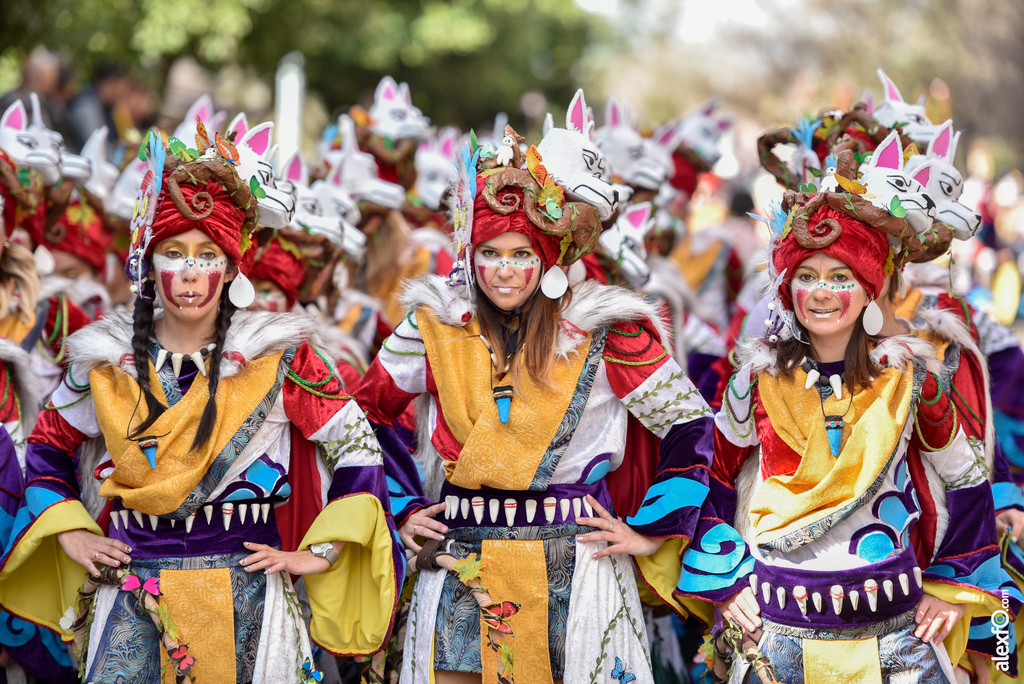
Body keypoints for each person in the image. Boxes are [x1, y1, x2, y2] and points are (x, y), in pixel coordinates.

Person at [0, 132, 402, 683]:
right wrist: (69, 531)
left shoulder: (281, 356)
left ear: (232, 269)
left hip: (248, 592)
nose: (191, 273)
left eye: (208, 255)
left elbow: (357, 446)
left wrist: (323, 551)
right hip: (131, 593)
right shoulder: (102, 359)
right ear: (149, 262)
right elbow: (46, 448)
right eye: (175, 253)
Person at [354, 132, 745, 684]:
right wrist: (401, 505)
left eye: (521, 254)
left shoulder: (606, 329)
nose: (505, 270)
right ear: (471, 254)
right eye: (489, 253)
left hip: (577, 566)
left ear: (549, 260)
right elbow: (365, 414)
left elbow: (689, 421)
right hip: (461, 555)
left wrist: (653, 528)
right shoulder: (434, 326)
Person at [711, 182, 1019, 682]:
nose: (823, 292)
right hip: (776, 634)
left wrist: (949, 583)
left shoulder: (915, 381)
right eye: (807, 275)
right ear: (788, 289)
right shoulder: (754, 381)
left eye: (841, 276)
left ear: (870, 289)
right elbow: (714, 474)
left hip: (897, 638)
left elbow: (967, 479)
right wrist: (725, 581)